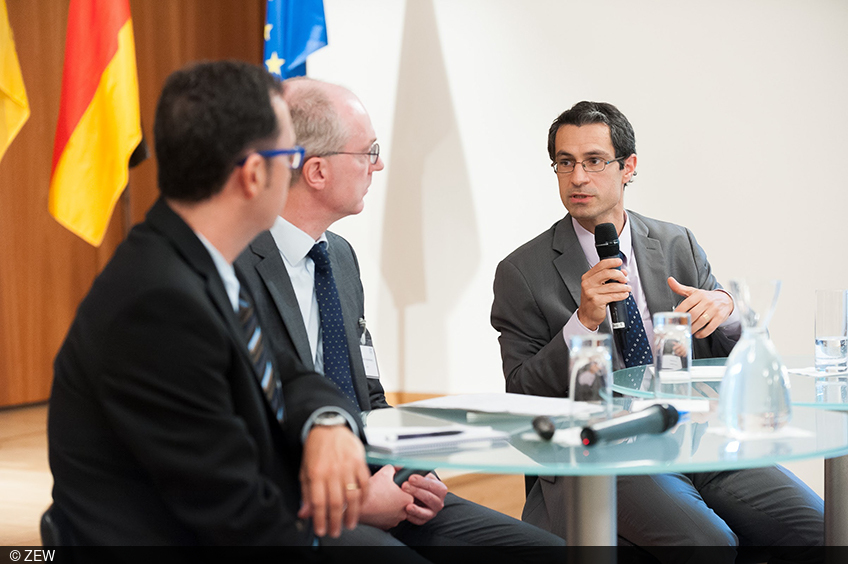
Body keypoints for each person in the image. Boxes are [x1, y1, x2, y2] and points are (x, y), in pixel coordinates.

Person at [235, 78, 564, 557]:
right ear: (318, 172)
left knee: (550, 553)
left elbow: (367, 394)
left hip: (380, 475)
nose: (379, 164)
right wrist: (356, 500)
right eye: (368, 151)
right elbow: (246, 430)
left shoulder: (340, 258)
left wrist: (413, 470)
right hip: (295, 499)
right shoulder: (235, 265)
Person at [47, 60, 371, 545]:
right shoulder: (158, 305)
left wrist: (328, 423)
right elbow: (237, 520)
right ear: (254, 176)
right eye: (290, 157)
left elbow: (289, 373)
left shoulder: (199, 261)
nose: (295, 172)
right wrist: (354, 503)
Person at [490, 101, 823, 562]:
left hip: (694, 437)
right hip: (601, 453)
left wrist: (725, 309)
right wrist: (582, 321)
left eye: (593, 161)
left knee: (820, 527)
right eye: (565, 163)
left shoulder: (675, 243)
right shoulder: (522, 271)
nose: (578, 178)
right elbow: (520, 389)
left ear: (628, 167)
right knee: (710, 544)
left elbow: (738, 349)